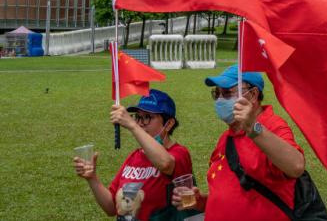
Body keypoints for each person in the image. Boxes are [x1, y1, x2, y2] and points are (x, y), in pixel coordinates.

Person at [173, 65, 305, 220]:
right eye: (217, 93)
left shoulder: (271, 126)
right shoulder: (226, 138)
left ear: (253, 95)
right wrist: (199, 201)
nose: (220, 100)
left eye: (227, 93)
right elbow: (230, 197)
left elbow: (296, 166)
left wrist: (252, 128)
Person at [73, 89, 193, 221]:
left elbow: (165, 164)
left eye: (147, 117)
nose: (140, 123)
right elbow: (112, 208)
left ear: (169, 124)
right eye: (138, 117)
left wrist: (132, 125)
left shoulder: (179, 153)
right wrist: (92, 178)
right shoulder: (135, 156)